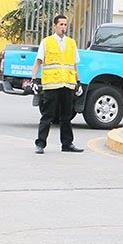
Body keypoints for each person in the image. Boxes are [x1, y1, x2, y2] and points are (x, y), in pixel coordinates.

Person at [28, 14, 84, 154]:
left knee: (66, 116)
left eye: (65, 25)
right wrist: (34, 79)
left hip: (68, 84)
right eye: (61, 25)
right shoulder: (46, 42)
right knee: (48, 115)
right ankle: (40, 144)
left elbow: (74, 65)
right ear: (54, 26)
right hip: (52, 85)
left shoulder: (71, 43)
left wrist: (78, 82)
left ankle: (67, 144)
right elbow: (38, 62)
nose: (63, 27)